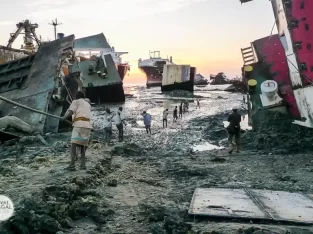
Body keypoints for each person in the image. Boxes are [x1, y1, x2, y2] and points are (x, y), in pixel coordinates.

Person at [62, 91, 92, 171]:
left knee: (73, 144)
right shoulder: (88, 104)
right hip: (87, 126)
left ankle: (72, 164)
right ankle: (83, 165)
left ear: (76, 97)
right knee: (83, 146)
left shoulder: (75, 102)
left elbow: (71, 111)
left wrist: (63, 117)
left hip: (79, 125)